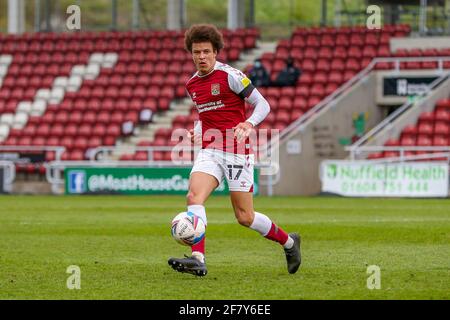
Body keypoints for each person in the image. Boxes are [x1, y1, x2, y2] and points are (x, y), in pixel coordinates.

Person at [167, 24, 301, 277]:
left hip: (237, 151)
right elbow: (204, 114)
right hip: (210, 150)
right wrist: (197, 129)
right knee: (193, 197)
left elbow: (263, 104)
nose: (202, 57)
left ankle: (289, 243)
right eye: (197, 52)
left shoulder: (231, 76)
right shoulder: (192, 84)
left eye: (207, 51)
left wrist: (249, 123)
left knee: (244, 216)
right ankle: (198, 258)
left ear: (216, 52)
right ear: (191, 53)